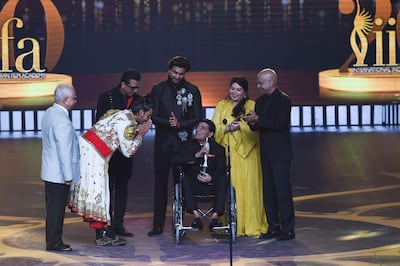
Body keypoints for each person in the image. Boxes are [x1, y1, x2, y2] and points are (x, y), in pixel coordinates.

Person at [69, 99, 153, 246]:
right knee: (100, 193)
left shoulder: (122, 114)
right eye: (148, 115)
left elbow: (119, 144)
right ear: (140, 113)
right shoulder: (128, 123)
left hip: (89, 149)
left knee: (101, 192)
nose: (148, 119)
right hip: (95, 154)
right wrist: (141, 134)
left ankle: (104, 232)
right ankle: (103, 235)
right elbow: (127, 152)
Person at [148, 55, 203, 236]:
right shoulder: (158, 89)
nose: (177, 76)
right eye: (174, 72)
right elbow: (153, 115)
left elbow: (197, 117)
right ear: (168, 70)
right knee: (160, 184)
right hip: (163, 144)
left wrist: (180, 124)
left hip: (183, 145)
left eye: (181, 73)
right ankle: (157, 225)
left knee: (182, 183)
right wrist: (167, 122)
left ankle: (180, 223)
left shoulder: (192, 90)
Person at [242, 68, 295, 241]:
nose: (258, 86)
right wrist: (251, 122)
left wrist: (259, 120)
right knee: (269, 192)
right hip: (265, 152)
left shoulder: (283, 100)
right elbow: (259, 127)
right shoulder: (260, 102)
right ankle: (273, 226)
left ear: (271, 82)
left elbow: (280, 124)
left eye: (261, 83)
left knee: (282, 191)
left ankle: (287, 229)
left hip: (280, 153)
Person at [211, 77, 267, 236]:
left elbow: (255, 131)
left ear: (244, 92)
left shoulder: (251, 105)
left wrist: (241, 126)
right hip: (228, 153)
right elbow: (214, 129)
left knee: (249, 187)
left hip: (248, 155)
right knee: (231, 188)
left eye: (238, 90)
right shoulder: (222, 105)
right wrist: (227, 128)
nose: (234, 92)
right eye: (232, 89)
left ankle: (249, 225)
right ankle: (230, 223)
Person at [95, 69, 143, 238]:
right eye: (132, 87)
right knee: (107, 189)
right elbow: (99, 124)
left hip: (125, 153)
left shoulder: (138, 101)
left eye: (136, 88)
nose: (134, 91)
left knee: (122, 188)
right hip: (108, 152)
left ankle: (118, 224)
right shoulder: (106, 97)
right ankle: (105, 225)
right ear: (123, 84)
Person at [41, 83, 79, 252]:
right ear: (65, 100)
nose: (76, 101)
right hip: (58, 174)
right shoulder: (61, 119)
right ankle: (54, 243)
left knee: (52, 210)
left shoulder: (50, 112)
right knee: (56, 211)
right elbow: (64, 149)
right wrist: (68, 175)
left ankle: (53, 241)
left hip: (49, 171)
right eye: (73, 98)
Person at [172, 119, 226, 231]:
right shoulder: (186, 145)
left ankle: (215, 217)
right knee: (184, 178)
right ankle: (196, 216)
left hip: (212, 184)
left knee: (223, 179)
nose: (197, 130)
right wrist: (196, 155)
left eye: (202, 128)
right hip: (193, 183)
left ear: (210, 134)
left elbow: (221, 169)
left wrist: (211, 177)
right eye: (197, 127)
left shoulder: (219, 149)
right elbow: (175, 160)